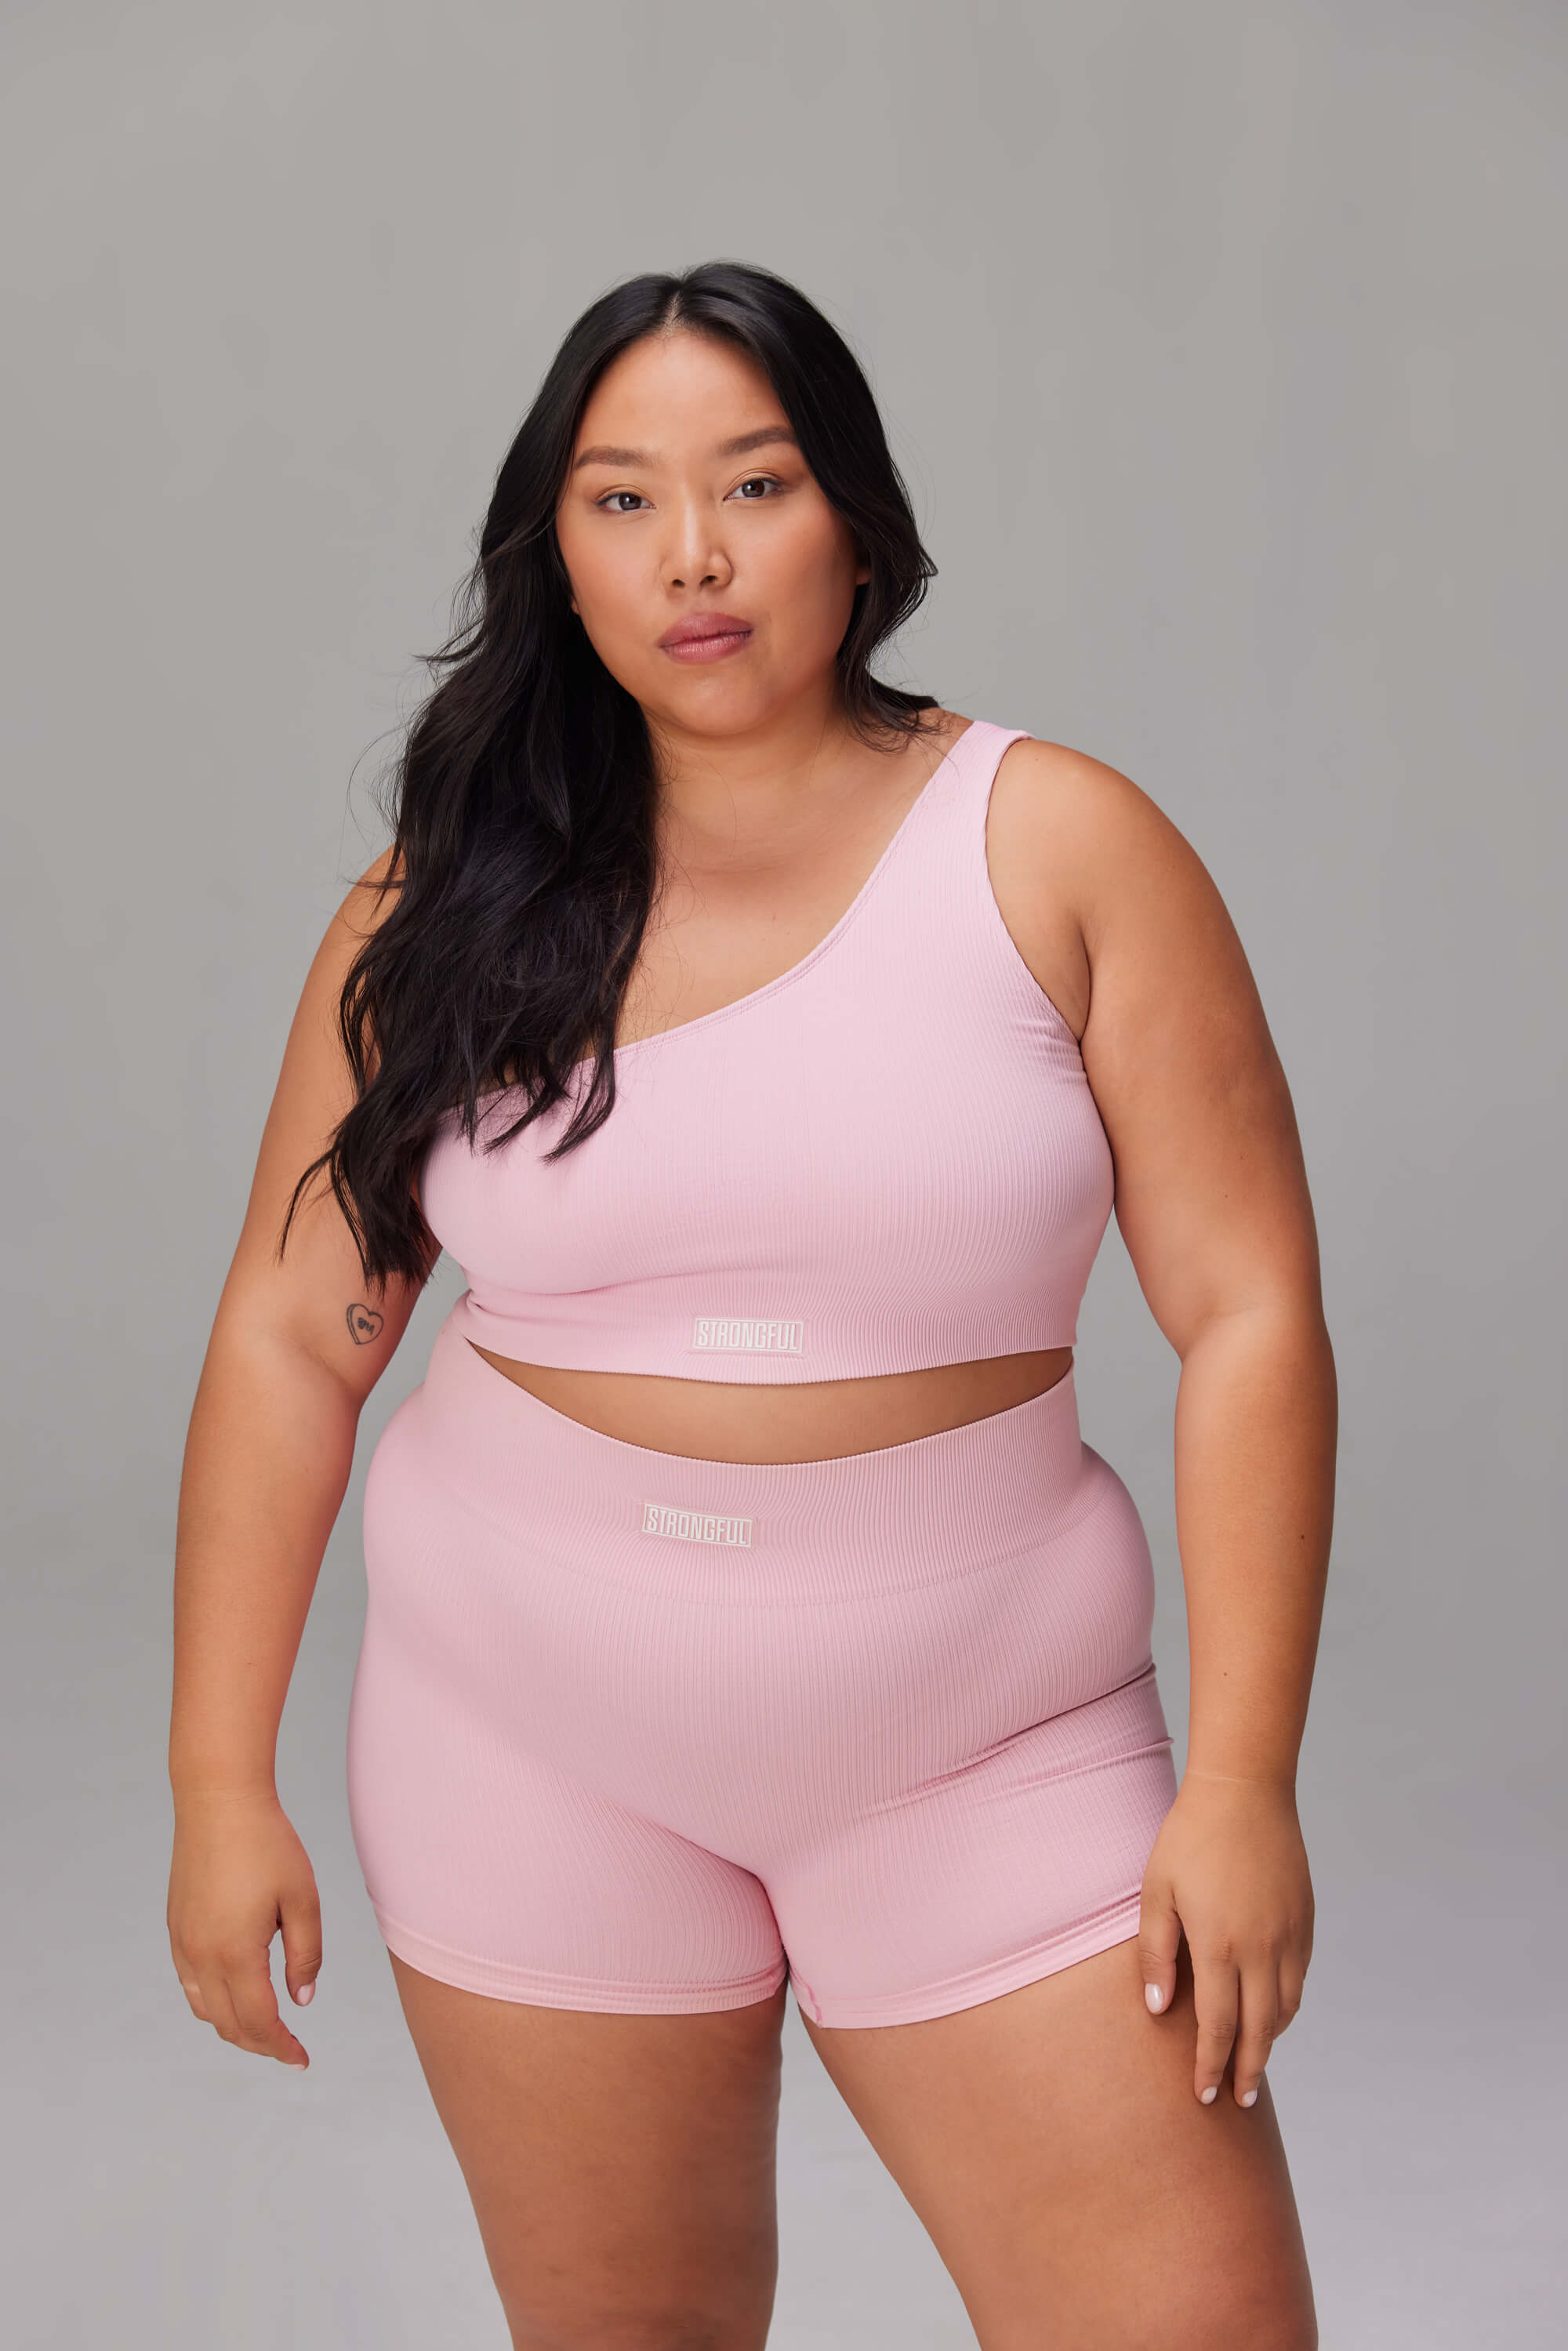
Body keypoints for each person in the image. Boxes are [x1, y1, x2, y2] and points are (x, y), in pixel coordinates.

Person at [167, 259, 1332, 2349]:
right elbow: (288, 1340)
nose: (692, 556)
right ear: (557, 557)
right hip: (525, 1739)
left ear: (856, 525)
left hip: (988, 1743)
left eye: (756, 484)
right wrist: (215, 1783)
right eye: (622, 500)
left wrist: (1243, 1783)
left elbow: (1249, 1313)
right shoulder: (443, 908)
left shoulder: (1057, 845)